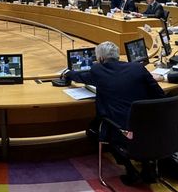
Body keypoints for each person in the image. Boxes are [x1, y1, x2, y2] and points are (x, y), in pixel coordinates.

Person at [63, 42, 168, 184]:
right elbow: (160, 95)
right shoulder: (138, 68)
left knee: (95, 129)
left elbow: (81, 77)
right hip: (149, 126)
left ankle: (129, 169)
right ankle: (147, 164)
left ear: (100, 58)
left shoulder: (98, 70)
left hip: (121, 129)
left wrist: (67, 73)